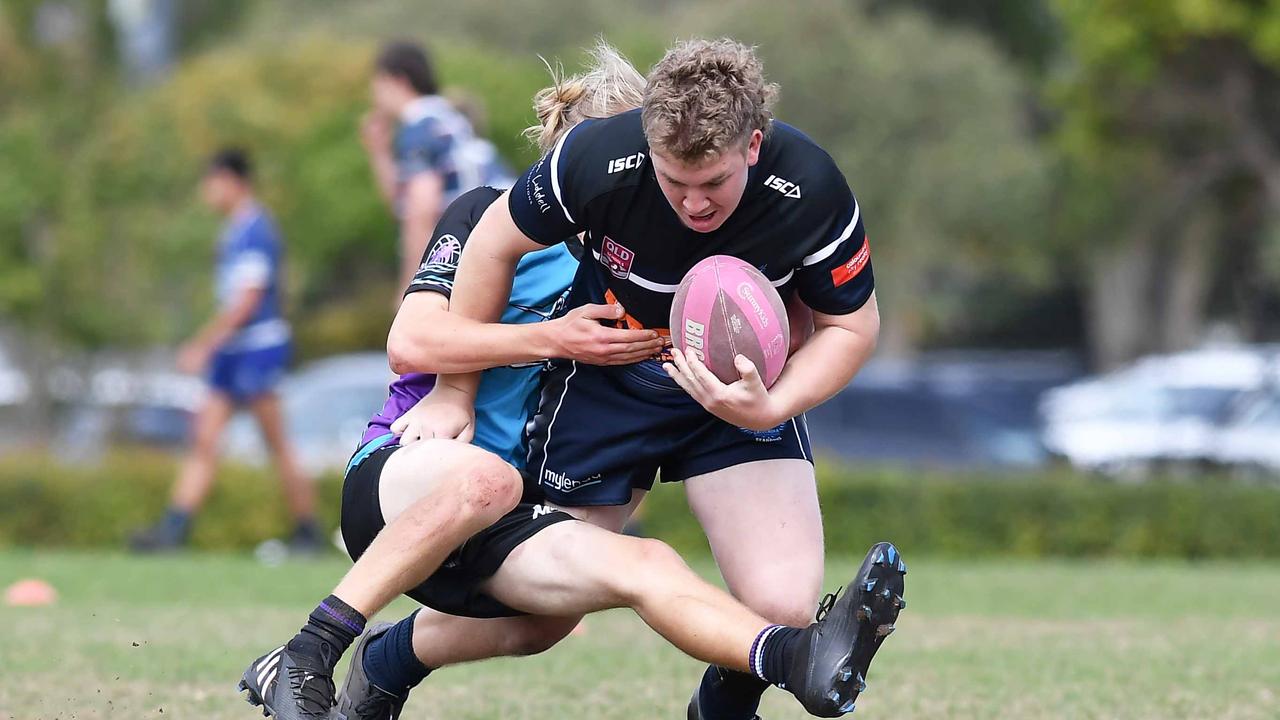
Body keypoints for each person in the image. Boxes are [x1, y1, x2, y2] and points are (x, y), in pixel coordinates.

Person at [236, 44, 905, 720]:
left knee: (630, 601)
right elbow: (411, 342)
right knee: (526, 536)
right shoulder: (507, 218)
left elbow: (835, 322)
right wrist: (505, 363)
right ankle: (315, 650)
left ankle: (763, 679)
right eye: (663, 180)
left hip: (557, 479)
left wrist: (777, 373)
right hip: (441, 471)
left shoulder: (671, 237)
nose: (675, 205)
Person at [426, 38, 883, 720]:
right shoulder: (597, 160)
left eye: (714, 184)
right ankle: (386, 662)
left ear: (753, 146)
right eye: (676, 184)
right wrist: (454, 389)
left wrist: (773, 404)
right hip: (613, 380)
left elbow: (853, 326)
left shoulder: (809, 187)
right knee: (539, 603)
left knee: (782, 605)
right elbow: (493, 242)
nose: (695, 205)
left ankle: (720, 711)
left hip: (740, 390)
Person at [130, 149, 320, 553]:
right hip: (233, 353)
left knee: (277, 443)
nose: (207, 192)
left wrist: (203, 343)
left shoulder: (255, 228)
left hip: (256, 349)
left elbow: (248, 301)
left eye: (212, 181)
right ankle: (173, 530)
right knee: (204, 441)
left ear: (234, 181)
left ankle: (308, 530)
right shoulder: (233, 230)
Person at [360, 39, 514, 294]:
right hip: (503, 228)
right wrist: (379, 152)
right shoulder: (446, 116)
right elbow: (402, 204)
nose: (374, 95)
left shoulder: (418, 127)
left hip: (480, 238)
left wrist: (412, 286)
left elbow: (421, 208)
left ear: (396, 80)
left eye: (376, 84)